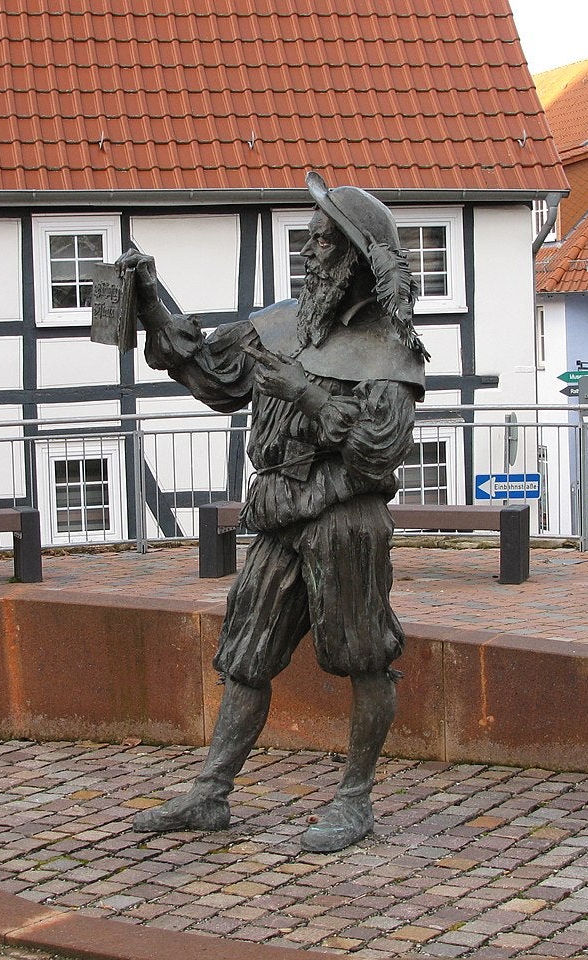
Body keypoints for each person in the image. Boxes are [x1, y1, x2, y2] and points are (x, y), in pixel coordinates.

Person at [119, 172, 427, 852]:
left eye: (322, 243)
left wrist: (310, 398)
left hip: (347, 521)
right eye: (308, 240)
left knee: (365, 657)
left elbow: (380, 453)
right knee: (246, 658)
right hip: (281, 517)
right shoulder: (282, 325)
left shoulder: (388, 347)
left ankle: (355, 799)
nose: (308, 254)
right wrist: (150, 302)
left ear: (352, 260)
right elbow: (211, 373)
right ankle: (211, 794)